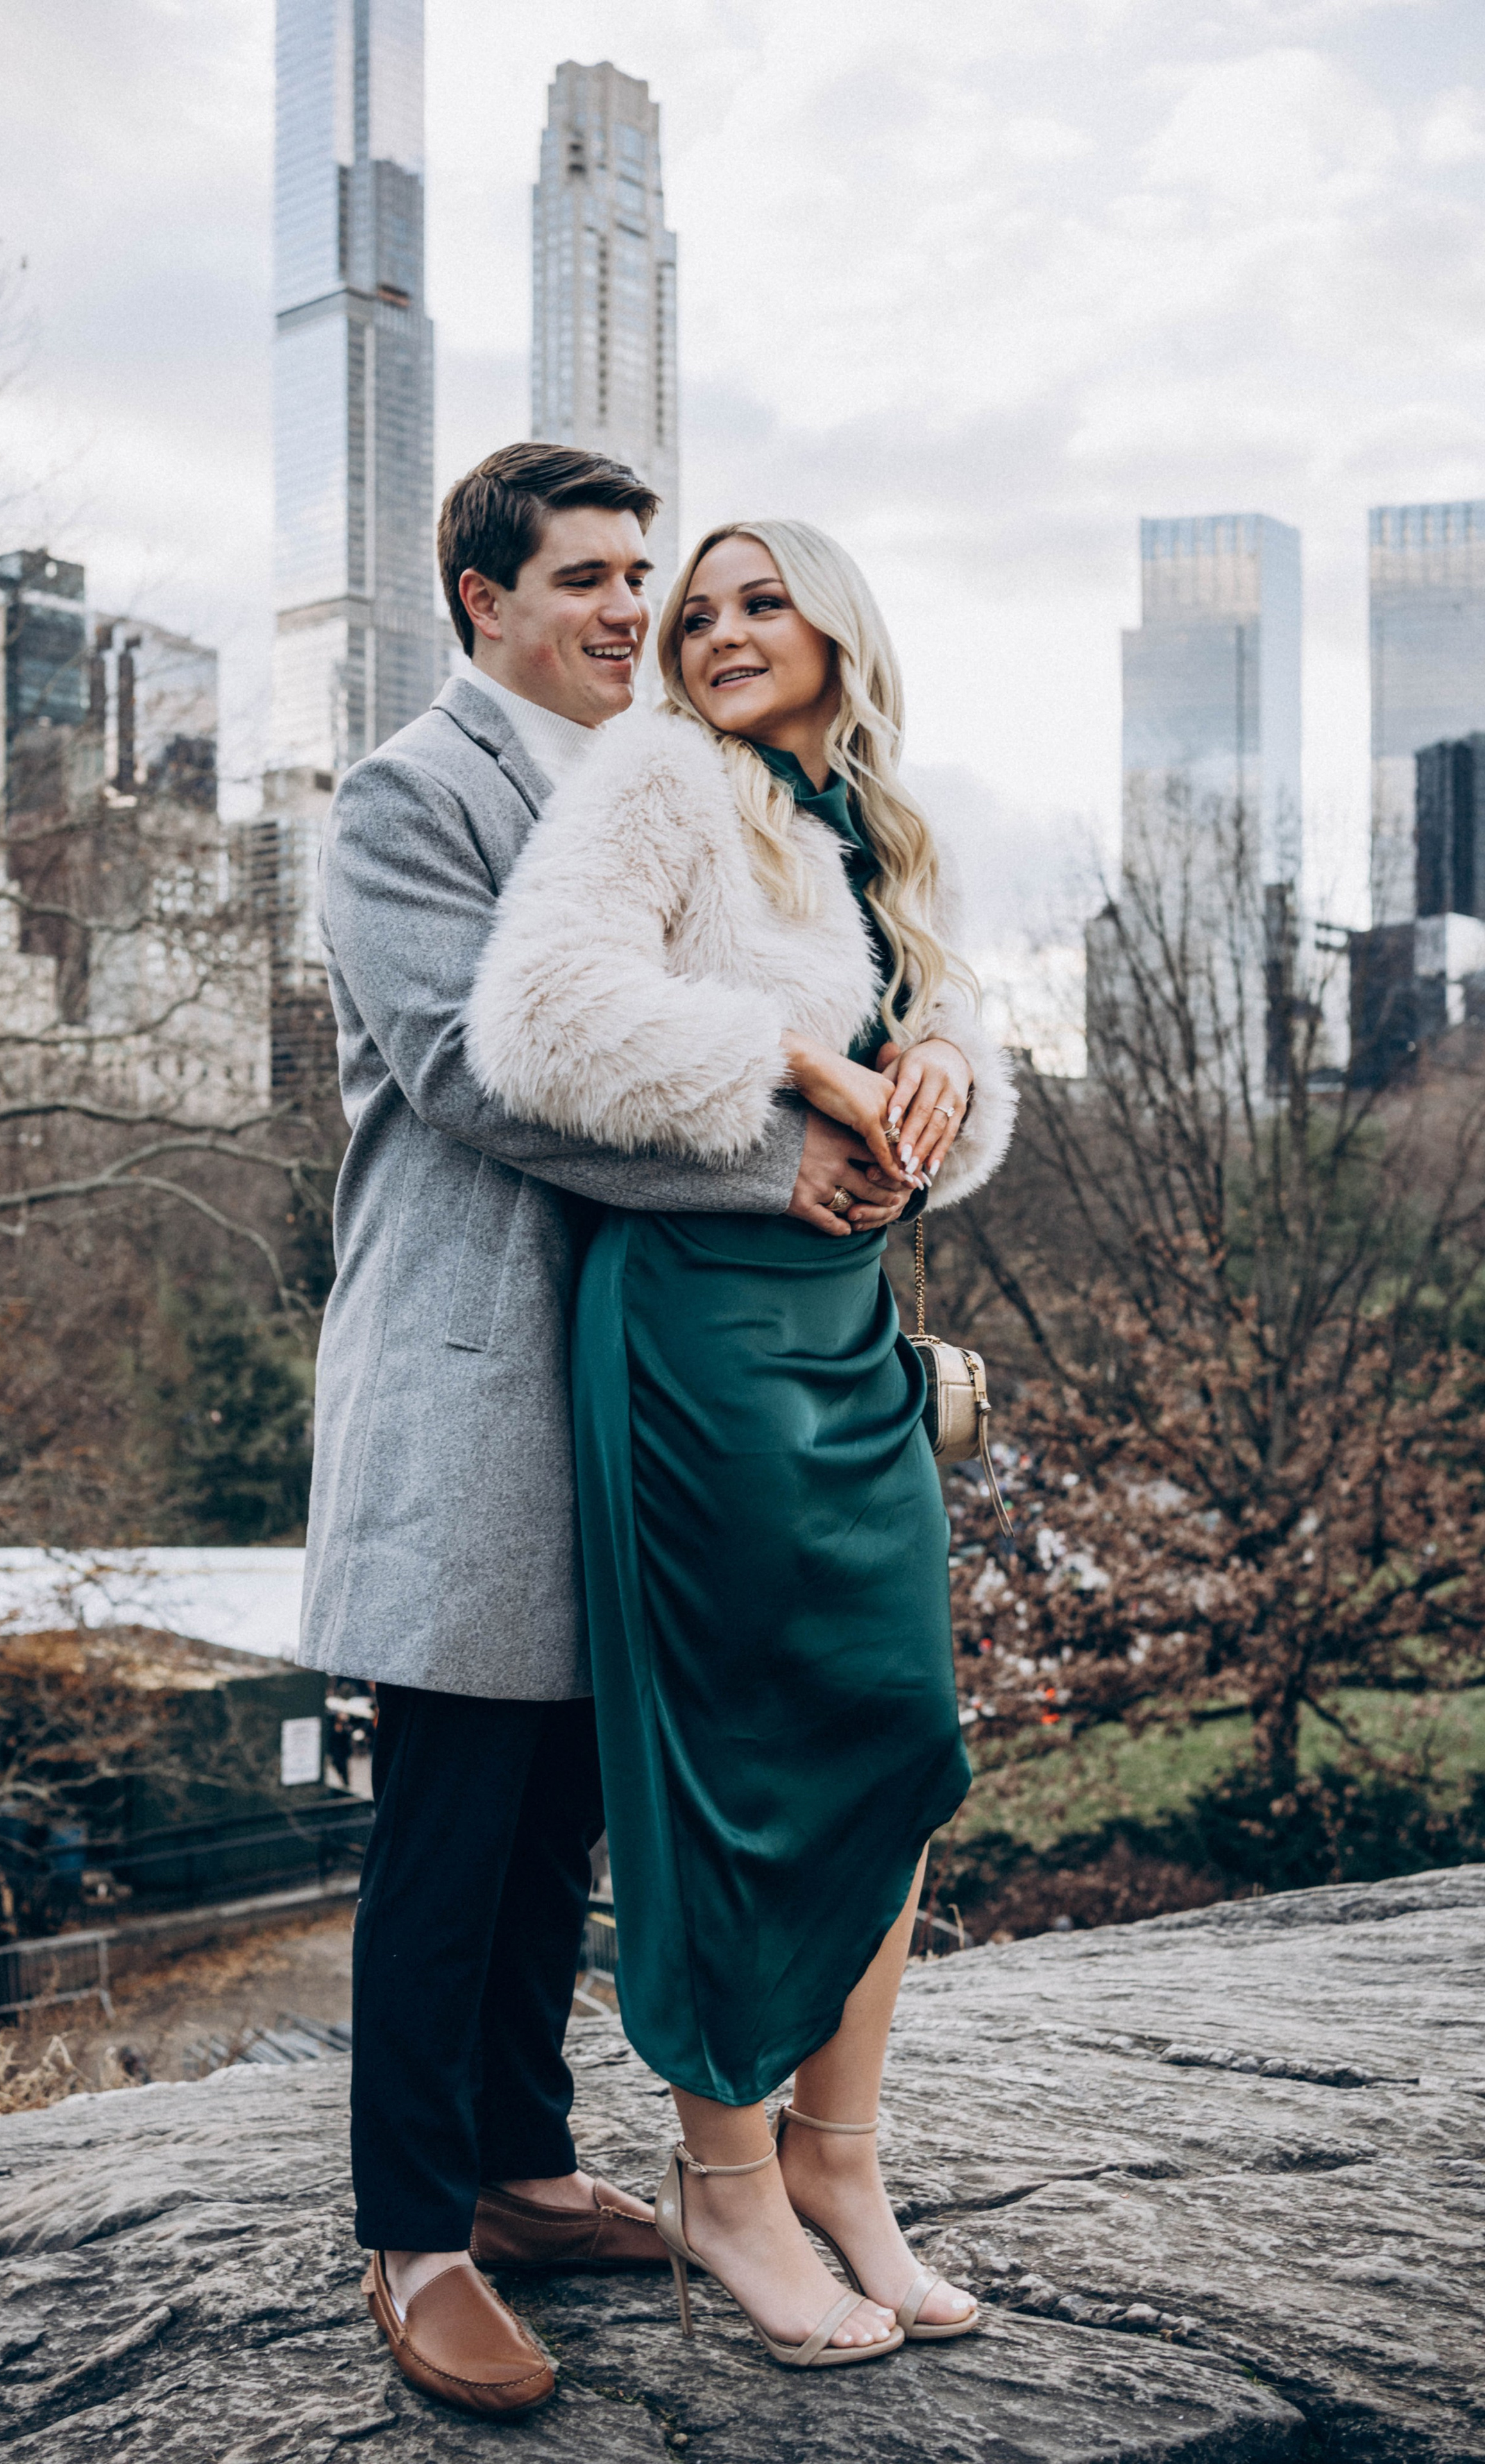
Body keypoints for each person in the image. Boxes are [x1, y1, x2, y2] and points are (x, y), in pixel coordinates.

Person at [295, 450, 913, 2418]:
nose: (631, 608)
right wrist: (784, 1154)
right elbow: (482, 1073)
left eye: (645, 569)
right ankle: (415, 2233)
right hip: (479, 1376)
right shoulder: (409, 798)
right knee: (456, 1817)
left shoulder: (653, 781)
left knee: (571, 1804)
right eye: (584, 576)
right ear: (479, 601)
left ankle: (526, 2159)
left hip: (650, 1391)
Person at [468, 518, 1016, 2369]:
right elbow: (536, 1019)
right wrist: (799, 1063)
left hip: (842, 1333)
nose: (707, 634)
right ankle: (727, 2189)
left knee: (894, 1733)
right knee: (729, 1765)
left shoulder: (876, 823)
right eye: (688, 613)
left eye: (755, 601)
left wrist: (946, 1072)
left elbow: (951, 1062)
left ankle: (840, 2164)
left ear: (838, 627)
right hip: (696, 1321)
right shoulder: (658, 779)